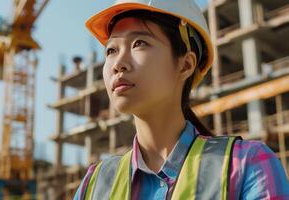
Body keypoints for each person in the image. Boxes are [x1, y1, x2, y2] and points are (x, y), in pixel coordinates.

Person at [73, 0, 289, 199]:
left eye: (139, 43)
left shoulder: (246, 166)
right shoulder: (94, 183)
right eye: (111, 50)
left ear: (186, 64)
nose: (118, 63)